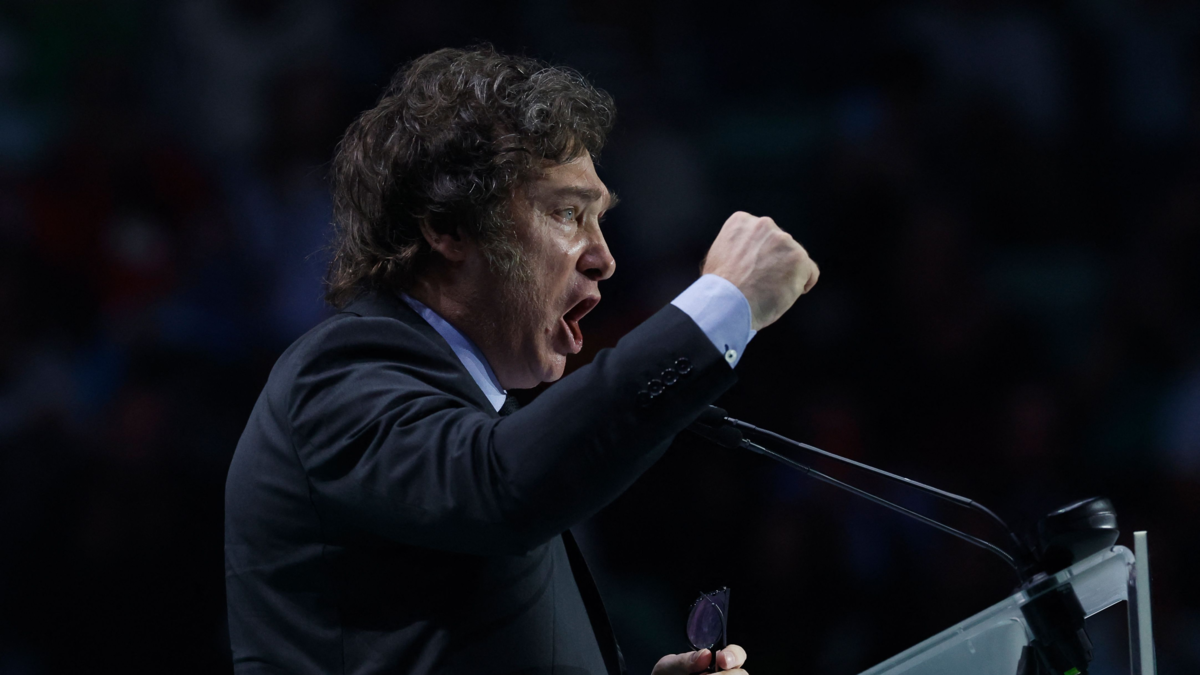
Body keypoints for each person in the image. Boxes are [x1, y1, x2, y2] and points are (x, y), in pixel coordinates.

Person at [224, 46, 818, 675]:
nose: (604, 258)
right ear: (448, 226)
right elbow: (500, 487)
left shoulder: (485, 418)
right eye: (567, 213)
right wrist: (720, 306)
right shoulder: (337, 372)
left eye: (599, 220)